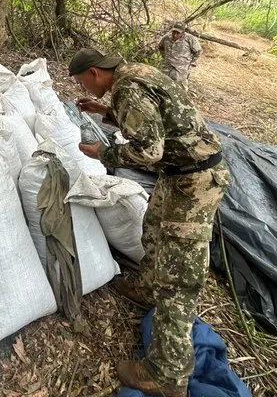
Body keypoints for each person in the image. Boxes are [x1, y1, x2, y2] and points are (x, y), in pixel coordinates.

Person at [68, 48, 229, 397]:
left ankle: (167, 374)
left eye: (83, 82)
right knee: (153, 231)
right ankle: (146, 288)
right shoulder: (135, 74)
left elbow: (149, 151)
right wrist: (105, 111)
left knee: (178, 278)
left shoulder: (128, 88)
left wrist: (103, 152)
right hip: (178, 175)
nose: (85, 87)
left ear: (95, 72)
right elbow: (155, 119)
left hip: (195, 183)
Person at [159, 21, 202, 90]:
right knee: (162, 86)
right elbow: (160, 47)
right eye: (174, 32)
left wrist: (191, 62)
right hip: (167, 67)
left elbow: (198, 51)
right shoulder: (167, 37)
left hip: (181, 69)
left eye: (178, 33)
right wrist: (165, 57)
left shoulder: (190, 39)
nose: (175, 35)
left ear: (183, 32)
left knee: (180, 89)